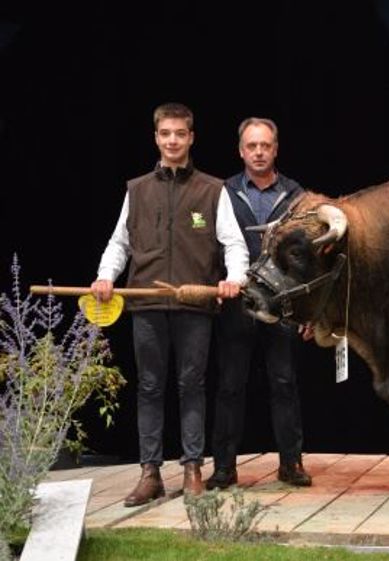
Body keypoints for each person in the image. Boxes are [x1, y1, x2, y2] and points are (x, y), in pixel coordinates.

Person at [92, 102, 249, 506]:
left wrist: (235, 279)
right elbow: (119, 243)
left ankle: (193, 467)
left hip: (194, 305)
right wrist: (106, 276)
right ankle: (150, 473)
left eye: (180, 133)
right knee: (149, 386)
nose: (173, 141)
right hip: (146, 303)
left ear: (191, 138)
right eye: (166, 134)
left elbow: (234, 244)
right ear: (156, 138)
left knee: (191, 385)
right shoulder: (138, 189)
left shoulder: (212, 189)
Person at [204, 117, 312, 490]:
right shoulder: (224, 192)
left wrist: (308, 310)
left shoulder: (296, 195)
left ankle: (291, 463)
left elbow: (307, 257)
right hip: (237, 303)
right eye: (252, 146)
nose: (259, 152)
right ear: (241, 151)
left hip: (282, 305)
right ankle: (224, 468)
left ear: (276, 149)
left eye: (265, 145)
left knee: (284, 382)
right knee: (230, 385)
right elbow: (212, 247)